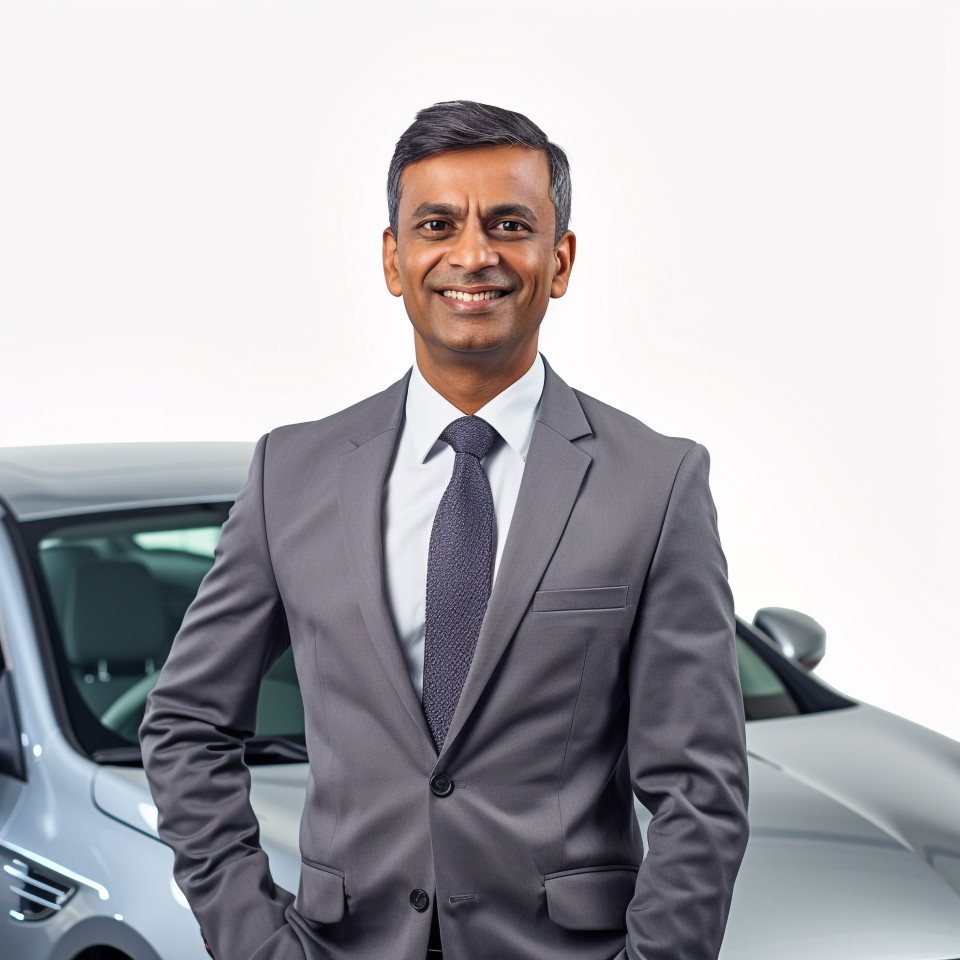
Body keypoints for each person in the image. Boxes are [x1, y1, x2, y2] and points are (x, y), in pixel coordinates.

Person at [140, 100, 750, 960]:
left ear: (559, 260)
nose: (473, 254)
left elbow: (700, 787)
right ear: (394, 260)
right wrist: (253, 942)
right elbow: (186, 725)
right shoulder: (291, 473)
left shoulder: (655, 483)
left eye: (510, 225)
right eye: (437, 225)